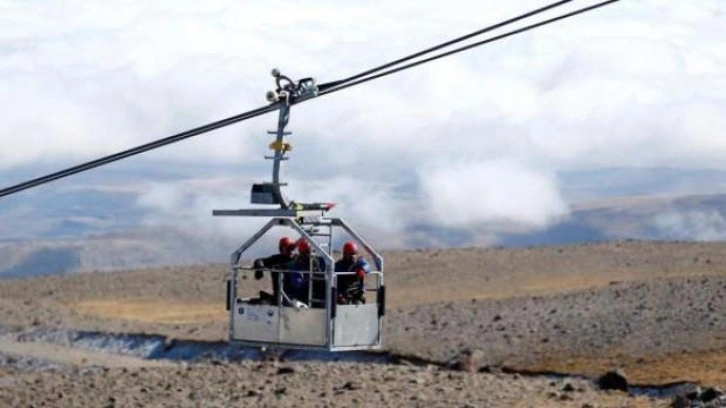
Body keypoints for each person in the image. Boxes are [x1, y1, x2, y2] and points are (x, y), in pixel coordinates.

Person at [252, 236, 296, 305]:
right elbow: (259, 261)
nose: (291, 251)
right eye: (288, 248)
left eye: (292, 248)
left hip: (296, 296)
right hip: (279, 296)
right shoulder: (276, 259)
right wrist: (259, 268)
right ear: (282, 249)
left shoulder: (297, 259)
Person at [287, 240, 327, 307]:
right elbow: (296, 283)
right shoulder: (297, 264)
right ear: (300, 253)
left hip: (316, 290)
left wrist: (317, 269)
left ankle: (325, 304)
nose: (307, 255)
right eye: (304, 253)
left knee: (325, 283)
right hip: (303, 292)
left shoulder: (319, 261)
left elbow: (324, 272)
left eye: (308, 252)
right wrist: (309, 280)